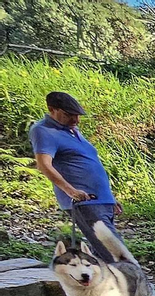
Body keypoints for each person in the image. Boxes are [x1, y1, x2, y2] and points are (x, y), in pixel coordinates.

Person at [30, 91, 123, 261]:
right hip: (85, 201)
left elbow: (87, 165)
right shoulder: (43, 130)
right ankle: (134, 286)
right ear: (52, 109)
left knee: (104, 253)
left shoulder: (73, 131)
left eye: (77, 115)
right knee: (116, 252)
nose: (76, 120)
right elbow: (44, 164)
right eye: (69, 115)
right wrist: (70, 191)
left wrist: (109, 197)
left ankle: (104, 286)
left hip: (102, 200)